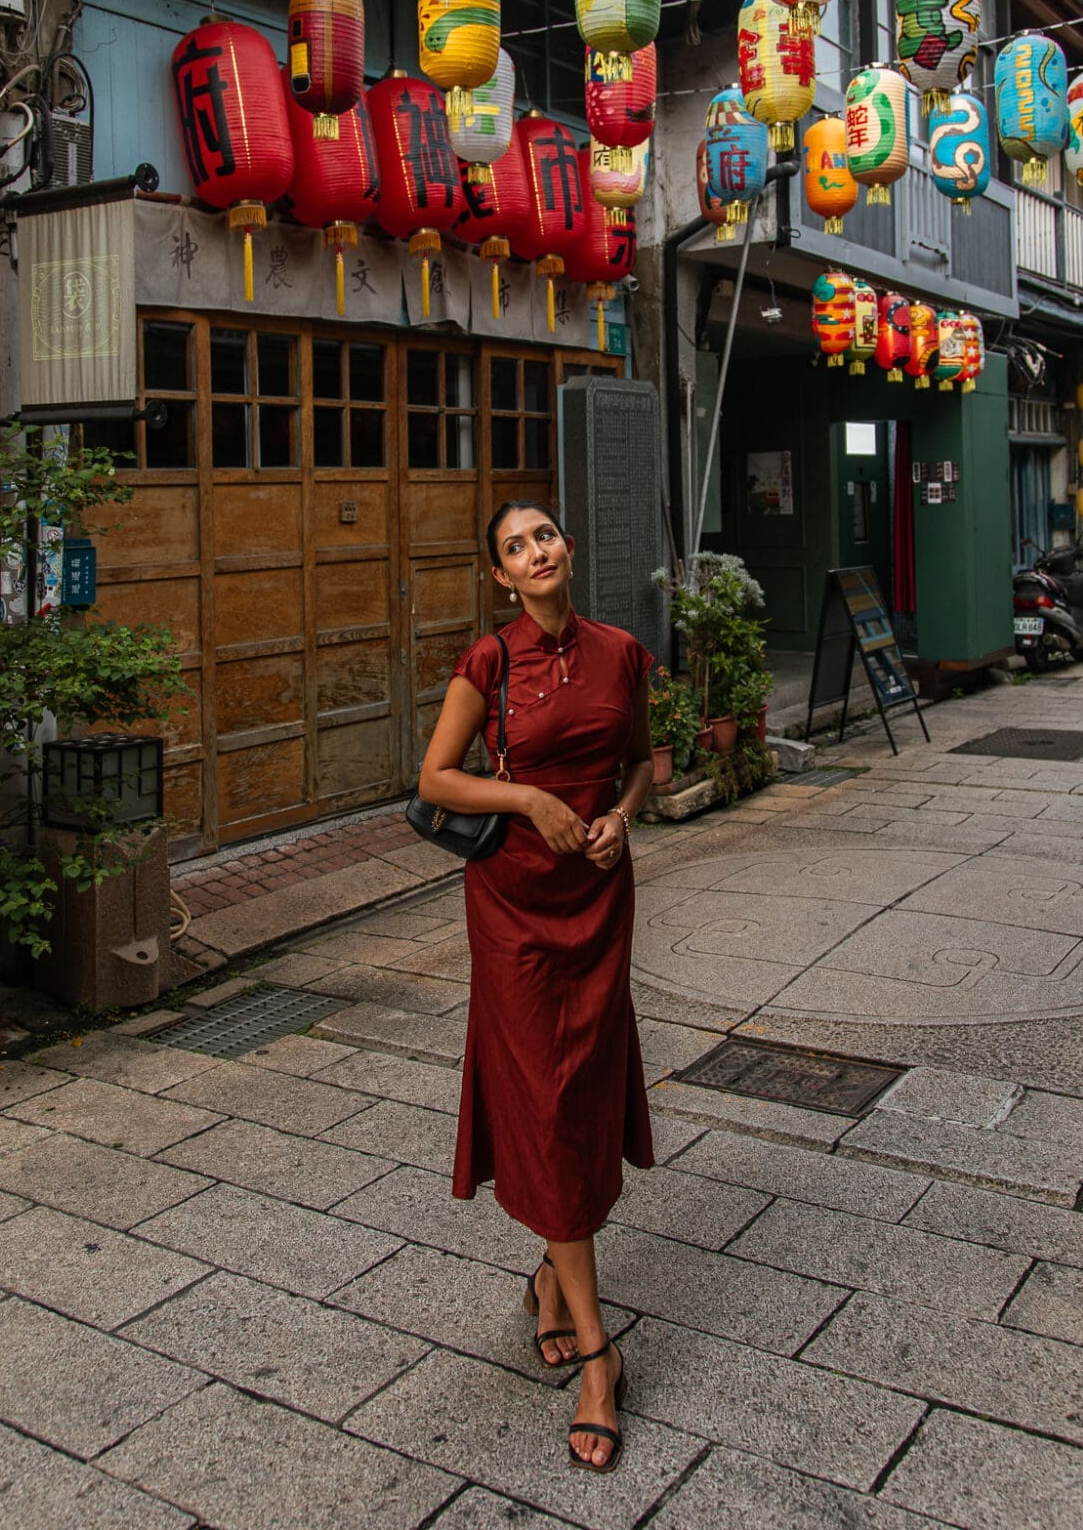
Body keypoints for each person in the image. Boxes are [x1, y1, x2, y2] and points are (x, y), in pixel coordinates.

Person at [418, 500, 655, 1473]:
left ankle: (553, 1280)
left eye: (544, 535)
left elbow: (641, 763)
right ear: (502, 577)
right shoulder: (488, 662)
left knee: (583, 1091)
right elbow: (435, 779)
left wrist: (622, 817)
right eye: (514, 547)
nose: (535, 552)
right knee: (543, 1098)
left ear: (567, 547)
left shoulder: (621, 652)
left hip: (598, 897)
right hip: (514, 907)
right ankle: (600, 1356)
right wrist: (526, 796)